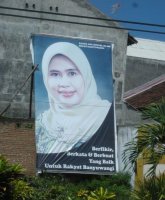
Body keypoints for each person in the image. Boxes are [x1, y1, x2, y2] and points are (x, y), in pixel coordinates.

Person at [36, 42, 111, 154]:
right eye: (55, 74)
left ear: (86, 75)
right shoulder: (43, 122)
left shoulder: (106, 114)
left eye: (72, 73)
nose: (64, 83)